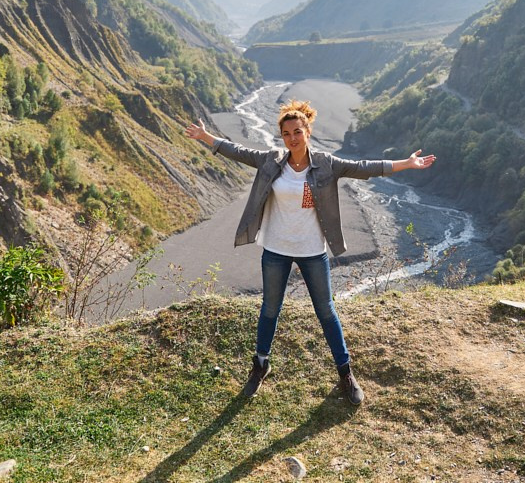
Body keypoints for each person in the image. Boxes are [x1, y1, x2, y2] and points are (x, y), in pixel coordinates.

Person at [185, 99, 436, 405]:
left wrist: (406, 164)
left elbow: (364, 168)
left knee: (326, 311)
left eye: (297, 131)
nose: (292, 137)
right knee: (269, 309)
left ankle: (345, 373)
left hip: (312, 251)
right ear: (282, 136)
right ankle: (260, 366)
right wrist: (206, 137)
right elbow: (238, 151)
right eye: (287, 133)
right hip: (276, 250)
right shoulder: (272, 161)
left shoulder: (326, 164)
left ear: (307, 132)